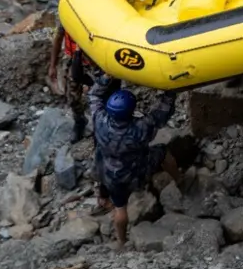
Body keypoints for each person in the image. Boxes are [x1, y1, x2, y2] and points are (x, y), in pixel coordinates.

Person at [88, 74, 176, 249]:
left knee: (120, 208)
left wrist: (107, 76)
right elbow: (162, 113)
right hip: (137, 171)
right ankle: (180, 181)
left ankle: (121, 241)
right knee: (163, 152)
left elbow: (94, 95)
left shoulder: (99, 119)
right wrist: (169, 88)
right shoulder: (140, 127)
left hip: (110, 173)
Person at [47, 22, 95, 143]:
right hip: (73, 59)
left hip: (94, 61)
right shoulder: (68, 16)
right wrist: (53, 65)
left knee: (102, 93)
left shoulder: (95, 16)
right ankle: (80, 121)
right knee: (72, 97)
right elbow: (58, 39)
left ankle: (105, 125)